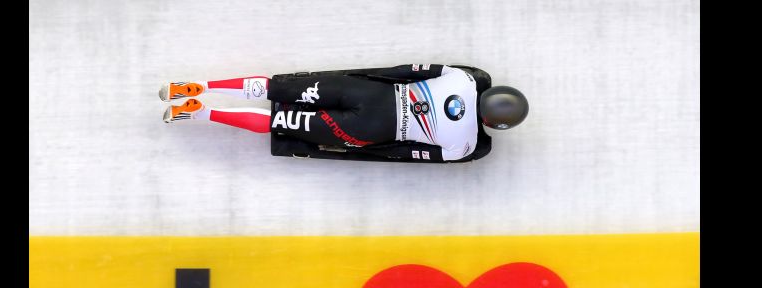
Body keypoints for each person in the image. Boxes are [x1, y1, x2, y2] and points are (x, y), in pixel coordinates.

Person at [160, 64, 528, 161]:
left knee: (276, 88)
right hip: (366, 128)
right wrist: (370, 148)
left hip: (369, 91)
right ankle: (199, 113)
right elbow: (410, 155)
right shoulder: (464, 146)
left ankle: (200, 87)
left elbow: (405, 71)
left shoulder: (463, 78)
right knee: (280, 122)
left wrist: (365, 77)